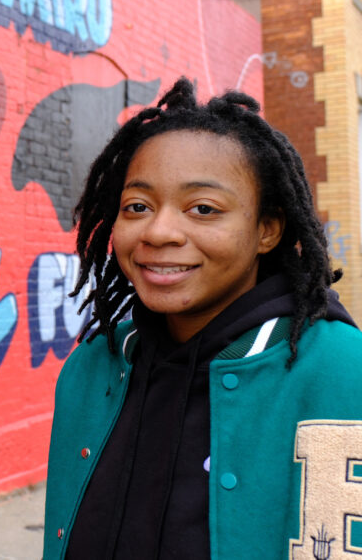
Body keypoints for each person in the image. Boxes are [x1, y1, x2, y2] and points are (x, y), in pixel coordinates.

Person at [43, 78, 362, 559]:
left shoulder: (340, 370)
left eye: (203, 208)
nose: (159, 231)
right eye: (137, 206)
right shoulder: (93, 367)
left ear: (267, 230)